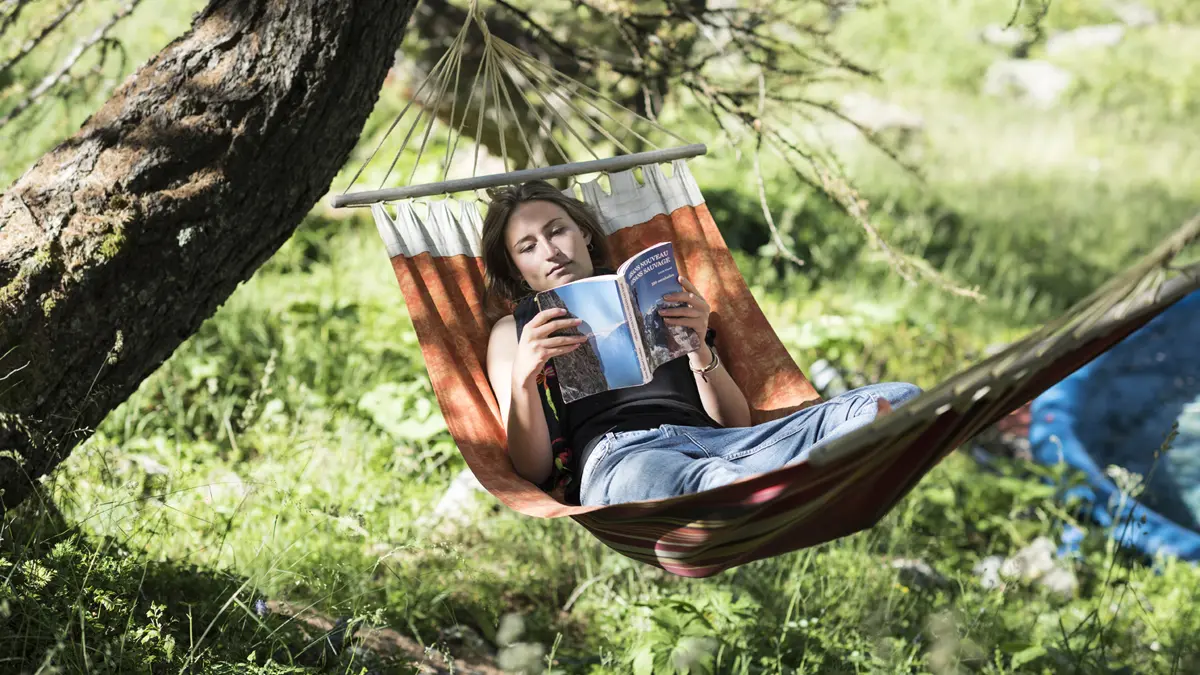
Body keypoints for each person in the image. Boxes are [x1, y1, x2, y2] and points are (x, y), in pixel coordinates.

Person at [483, 180, 922, 507]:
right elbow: (532, 470)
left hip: (717, 444)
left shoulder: (653, 288)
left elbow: (734, 421)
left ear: (585, 234)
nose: (549, 251)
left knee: (898, 398)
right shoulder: (513, 333)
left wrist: (699, 349)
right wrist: (525, 377)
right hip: (624, 461)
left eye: (557, 231)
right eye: (527, 247)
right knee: (712, 480)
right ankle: (790, 483)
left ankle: (772, 485)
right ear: (518, 270)